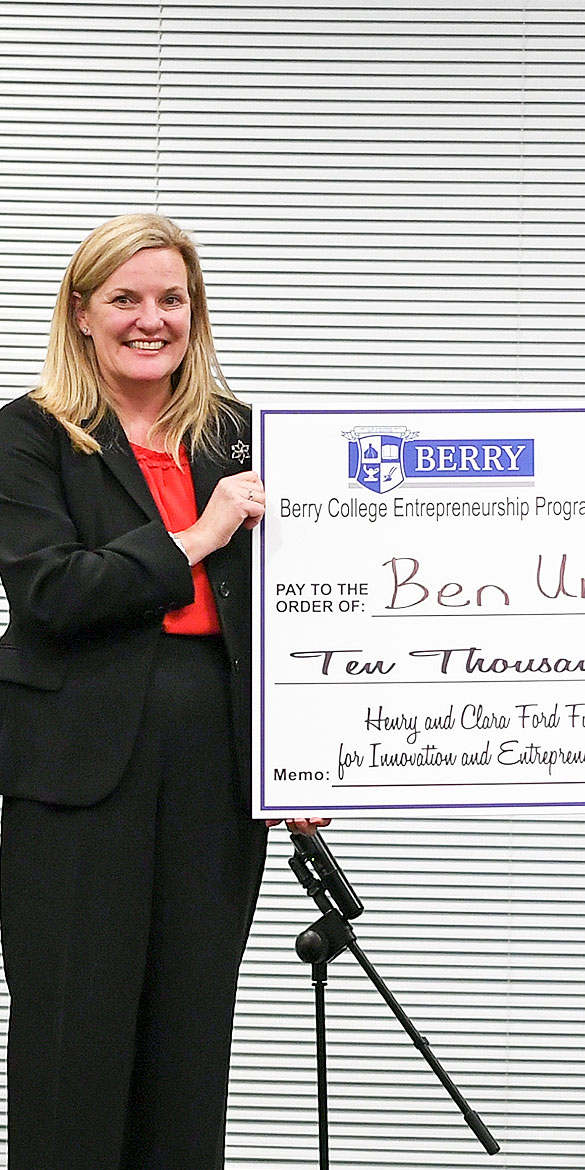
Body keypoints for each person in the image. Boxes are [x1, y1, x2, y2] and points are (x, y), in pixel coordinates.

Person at [0, 213, 323, 1169]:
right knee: (72, 1041)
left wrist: (308, 757)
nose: (153, 320)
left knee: (190, 1042)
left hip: (214, 779)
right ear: (83, 314)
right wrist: (195, 538)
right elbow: (52, 592)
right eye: (127, 300)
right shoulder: (29, 436)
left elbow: (293, 611)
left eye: (171, 299)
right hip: (79, 777)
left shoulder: (237, 435)